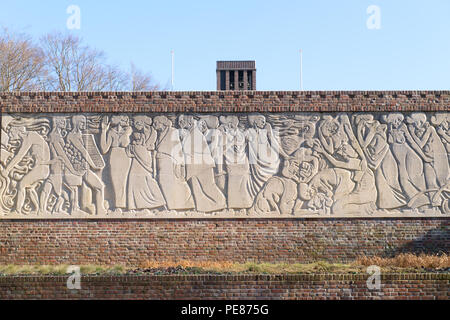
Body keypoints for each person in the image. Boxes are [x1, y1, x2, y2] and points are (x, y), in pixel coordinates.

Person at [1, 119, 50, 215]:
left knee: (21, 185)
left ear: (17, 131)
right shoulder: (31, 136)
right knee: (29, 188)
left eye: (10, 132)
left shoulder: (30, 136)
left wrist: (6, 170)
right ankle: (39, 210)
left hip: (41, 168)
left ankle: (17, 211)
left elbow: (19, 155)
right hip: (42, 168)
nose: (10, 135)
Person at [178, 115, 226, 212]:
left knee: (208, 187)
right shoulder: (190, 133)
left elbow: (189, 150)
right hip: (193, 168)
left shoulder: (196, 133)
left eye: (182, 121)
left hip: (202, 167)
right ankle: (203, 209)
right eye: (179, 122)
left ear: (189, 122)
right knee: (197, 190)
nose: (180, 124)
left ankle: (222, 203)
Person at [66, 115, 107, 215]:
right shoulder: (72, 136)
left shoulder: (82, 135)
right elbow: (83, 151)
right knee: (100, 186)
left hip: (84, 169)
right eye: (81, 122)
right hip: (79, 169)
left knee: (91, 191)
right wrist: (93, 164)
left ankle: (96, 210)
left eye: (84, 122)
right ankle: (100, 211)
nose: (84, 124)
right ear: (76, 123)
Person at [153, 116, 194, 210]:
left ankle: (179, 205)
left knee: (168, 183)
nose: (154, 125)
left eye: (156, 122)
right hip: (160, 161)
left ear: (162, 122)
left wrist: (179, 164)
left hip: (169, 161)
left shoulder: (172, 131)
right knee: (163, 183)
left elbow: (178, 148)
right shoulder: (159, 134)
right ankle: (170, 206)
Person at [126, 115, 166, 211]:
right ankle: (135, 206)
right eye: (134, 124)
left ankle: (159, 203)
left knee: (148, 181)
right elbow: (130, 150)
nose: (135, 126)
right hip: (137, 162)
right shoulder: (138, 134)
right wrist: (132, 148)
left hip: (145, 159)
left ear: (142, 122)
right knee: (134, 180)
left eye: (137, 123)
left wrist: (136, 148)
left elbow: (149, 147)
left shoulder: (152, 132)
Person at [100, 115, 132, 210]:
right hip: (114, 157)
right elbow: (104, 149)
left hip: (125, 157)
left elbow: (124, 143)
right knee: (115, 182)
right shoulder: (111, 132)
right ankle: (118, 205)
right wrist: (103, 131)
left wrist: (126, 134)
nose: (111, 119)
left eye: (114, 118)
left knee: (125, 181)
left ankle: (125, 206)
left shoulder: (127, 132)